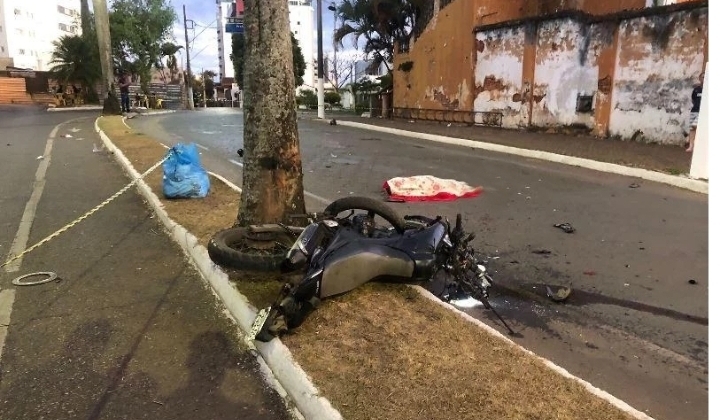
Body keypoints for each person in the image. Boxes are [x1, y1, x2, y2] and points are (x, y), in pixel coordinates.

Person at [686, 71, 704, 153]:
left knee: (694, 125)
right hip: (694, 110)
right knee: (692, 129)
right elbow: (693, 99)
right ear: (700, 79)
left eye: (705, 77)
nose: (703, 78)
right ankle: (691, 146)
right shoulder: (696, 89)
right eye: (702, 77)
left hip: (702, 112)